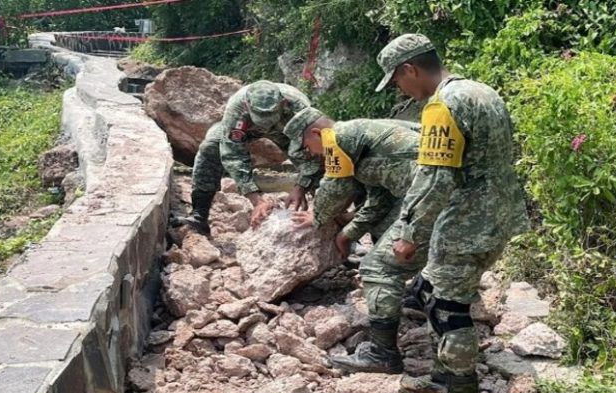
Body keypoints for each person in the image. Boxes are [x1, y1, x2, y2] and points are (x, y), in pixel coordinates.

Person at [373, 34, 530, 393]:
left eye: (397, 79)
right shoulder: (482, 91)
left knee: (448, 308)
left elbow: (434, 179)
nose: (400, 88)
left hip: (467, 222)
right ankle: (445, 373)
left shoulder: (441, 106)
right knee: (429, 289)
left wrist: (409, 232)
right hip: (502, 213)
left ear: (410, 69)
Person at [285, 107, 433, 377]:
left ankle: (383, 355)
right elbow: (380, 200)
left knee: (376, 268)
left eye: (308, 146)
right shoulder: (362, 135)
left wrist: (317, 215)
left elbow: (335, 187)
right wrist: (348, 233)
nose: (311, 154)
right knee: (384, 232)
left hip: (434, 197)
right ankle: (425, 291)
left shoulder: (337, 137)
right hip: (430, 192)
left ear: (317, 134)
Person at [180, 80, 322, 235]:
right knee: (210, 147)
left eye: (270, 116)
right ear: (247, 106)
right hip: (247, 127)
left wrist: (300, 186)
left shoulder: (299, 108)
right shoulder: (237, 108)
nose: (266, 124)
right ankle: (199, 216)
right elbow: (232, 154)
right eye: (260, 117)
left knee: (320, 160)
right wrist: (257, 201)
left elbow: (312, 155)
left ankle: (326, 217)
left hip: (287, 131)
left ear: (282, 103)